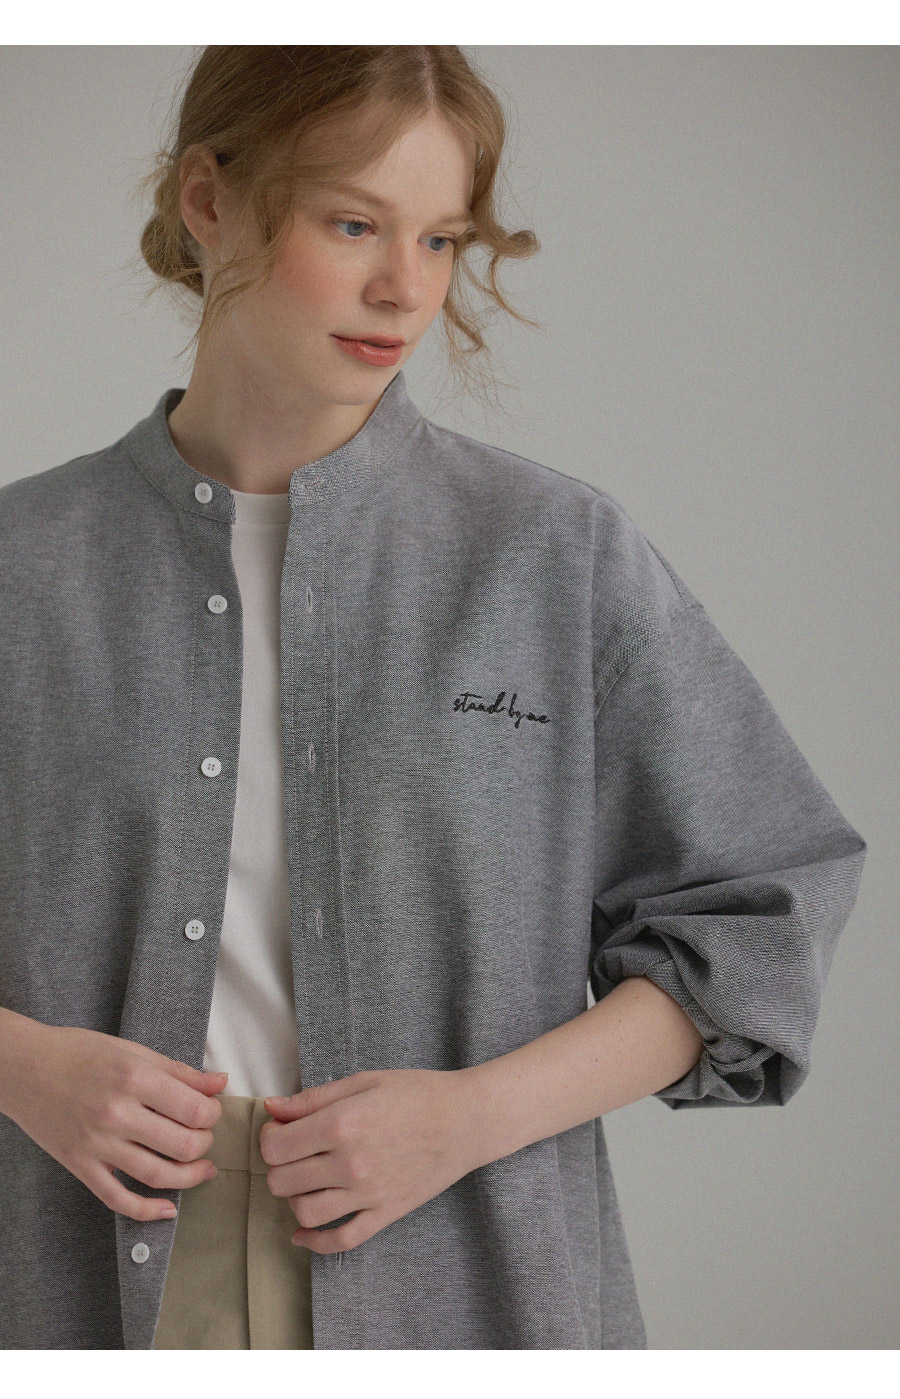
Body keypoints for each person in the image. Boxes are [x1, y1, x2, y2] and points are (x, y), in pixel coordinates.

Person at [0, 45, 867, 1351]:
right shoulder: (24, 565)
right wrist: (24, 1070)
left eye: (443, 239)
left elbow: (762, 917)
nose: (404, 288)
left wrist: (473, 1117)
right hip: (70, 1281)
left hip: (465, 1286)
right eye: (353, 224)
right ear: (209, 200)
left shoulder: (551, 556)